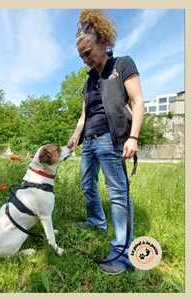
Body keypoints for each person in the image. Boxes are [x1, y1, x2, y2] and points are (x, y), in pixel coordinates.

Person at [68, 9, 144, 275]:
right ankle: (96, 222)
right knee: (86, 184)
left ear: (102, 41)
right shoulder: (89, 79)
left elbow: (137, 102)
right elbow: (84, 112)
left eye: (87, 53)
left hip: (110, 140)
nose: (85, 60)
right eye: (81, 56)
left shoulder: (122, 64)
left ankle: (123, 253)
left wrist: (133, 137)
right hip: (88, 140)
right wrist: (77, 133)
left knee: (118, 194)